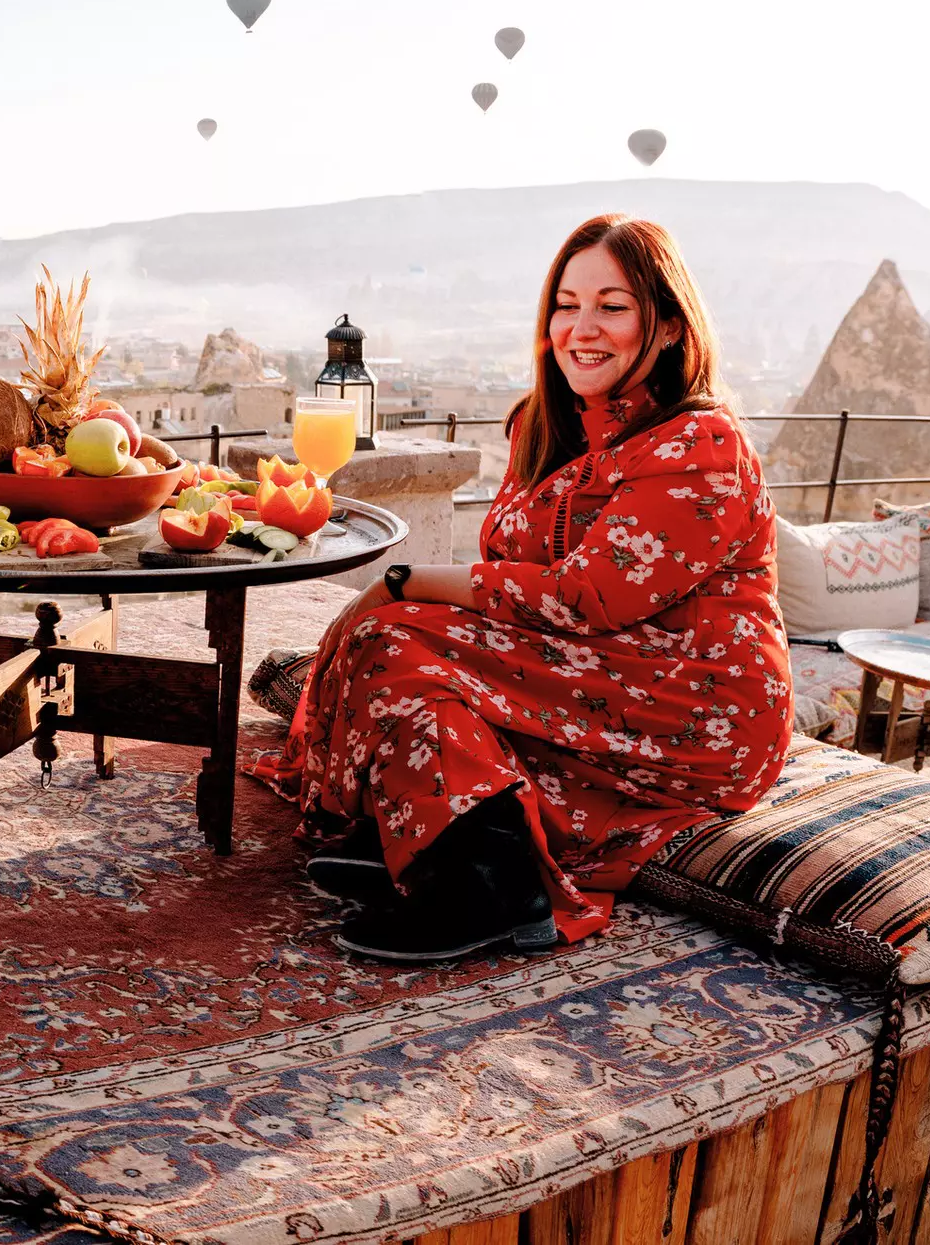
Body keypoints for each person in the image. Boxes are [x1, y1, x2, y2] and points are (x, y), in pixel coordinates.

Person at [258, 214, 794, 962]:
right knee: (414, 641)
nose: (583, 327)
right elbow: (517, 573)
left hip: (696, 703)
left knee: (399, 635)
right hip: (590, 668)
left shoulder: (701, 445)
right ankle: (449, 842)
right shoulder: (546, 427)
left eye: (613, 306)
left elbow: (587, 596)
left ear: (669, 326)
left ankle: (495, 885)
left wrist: (401, 582)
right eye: (566, 305)